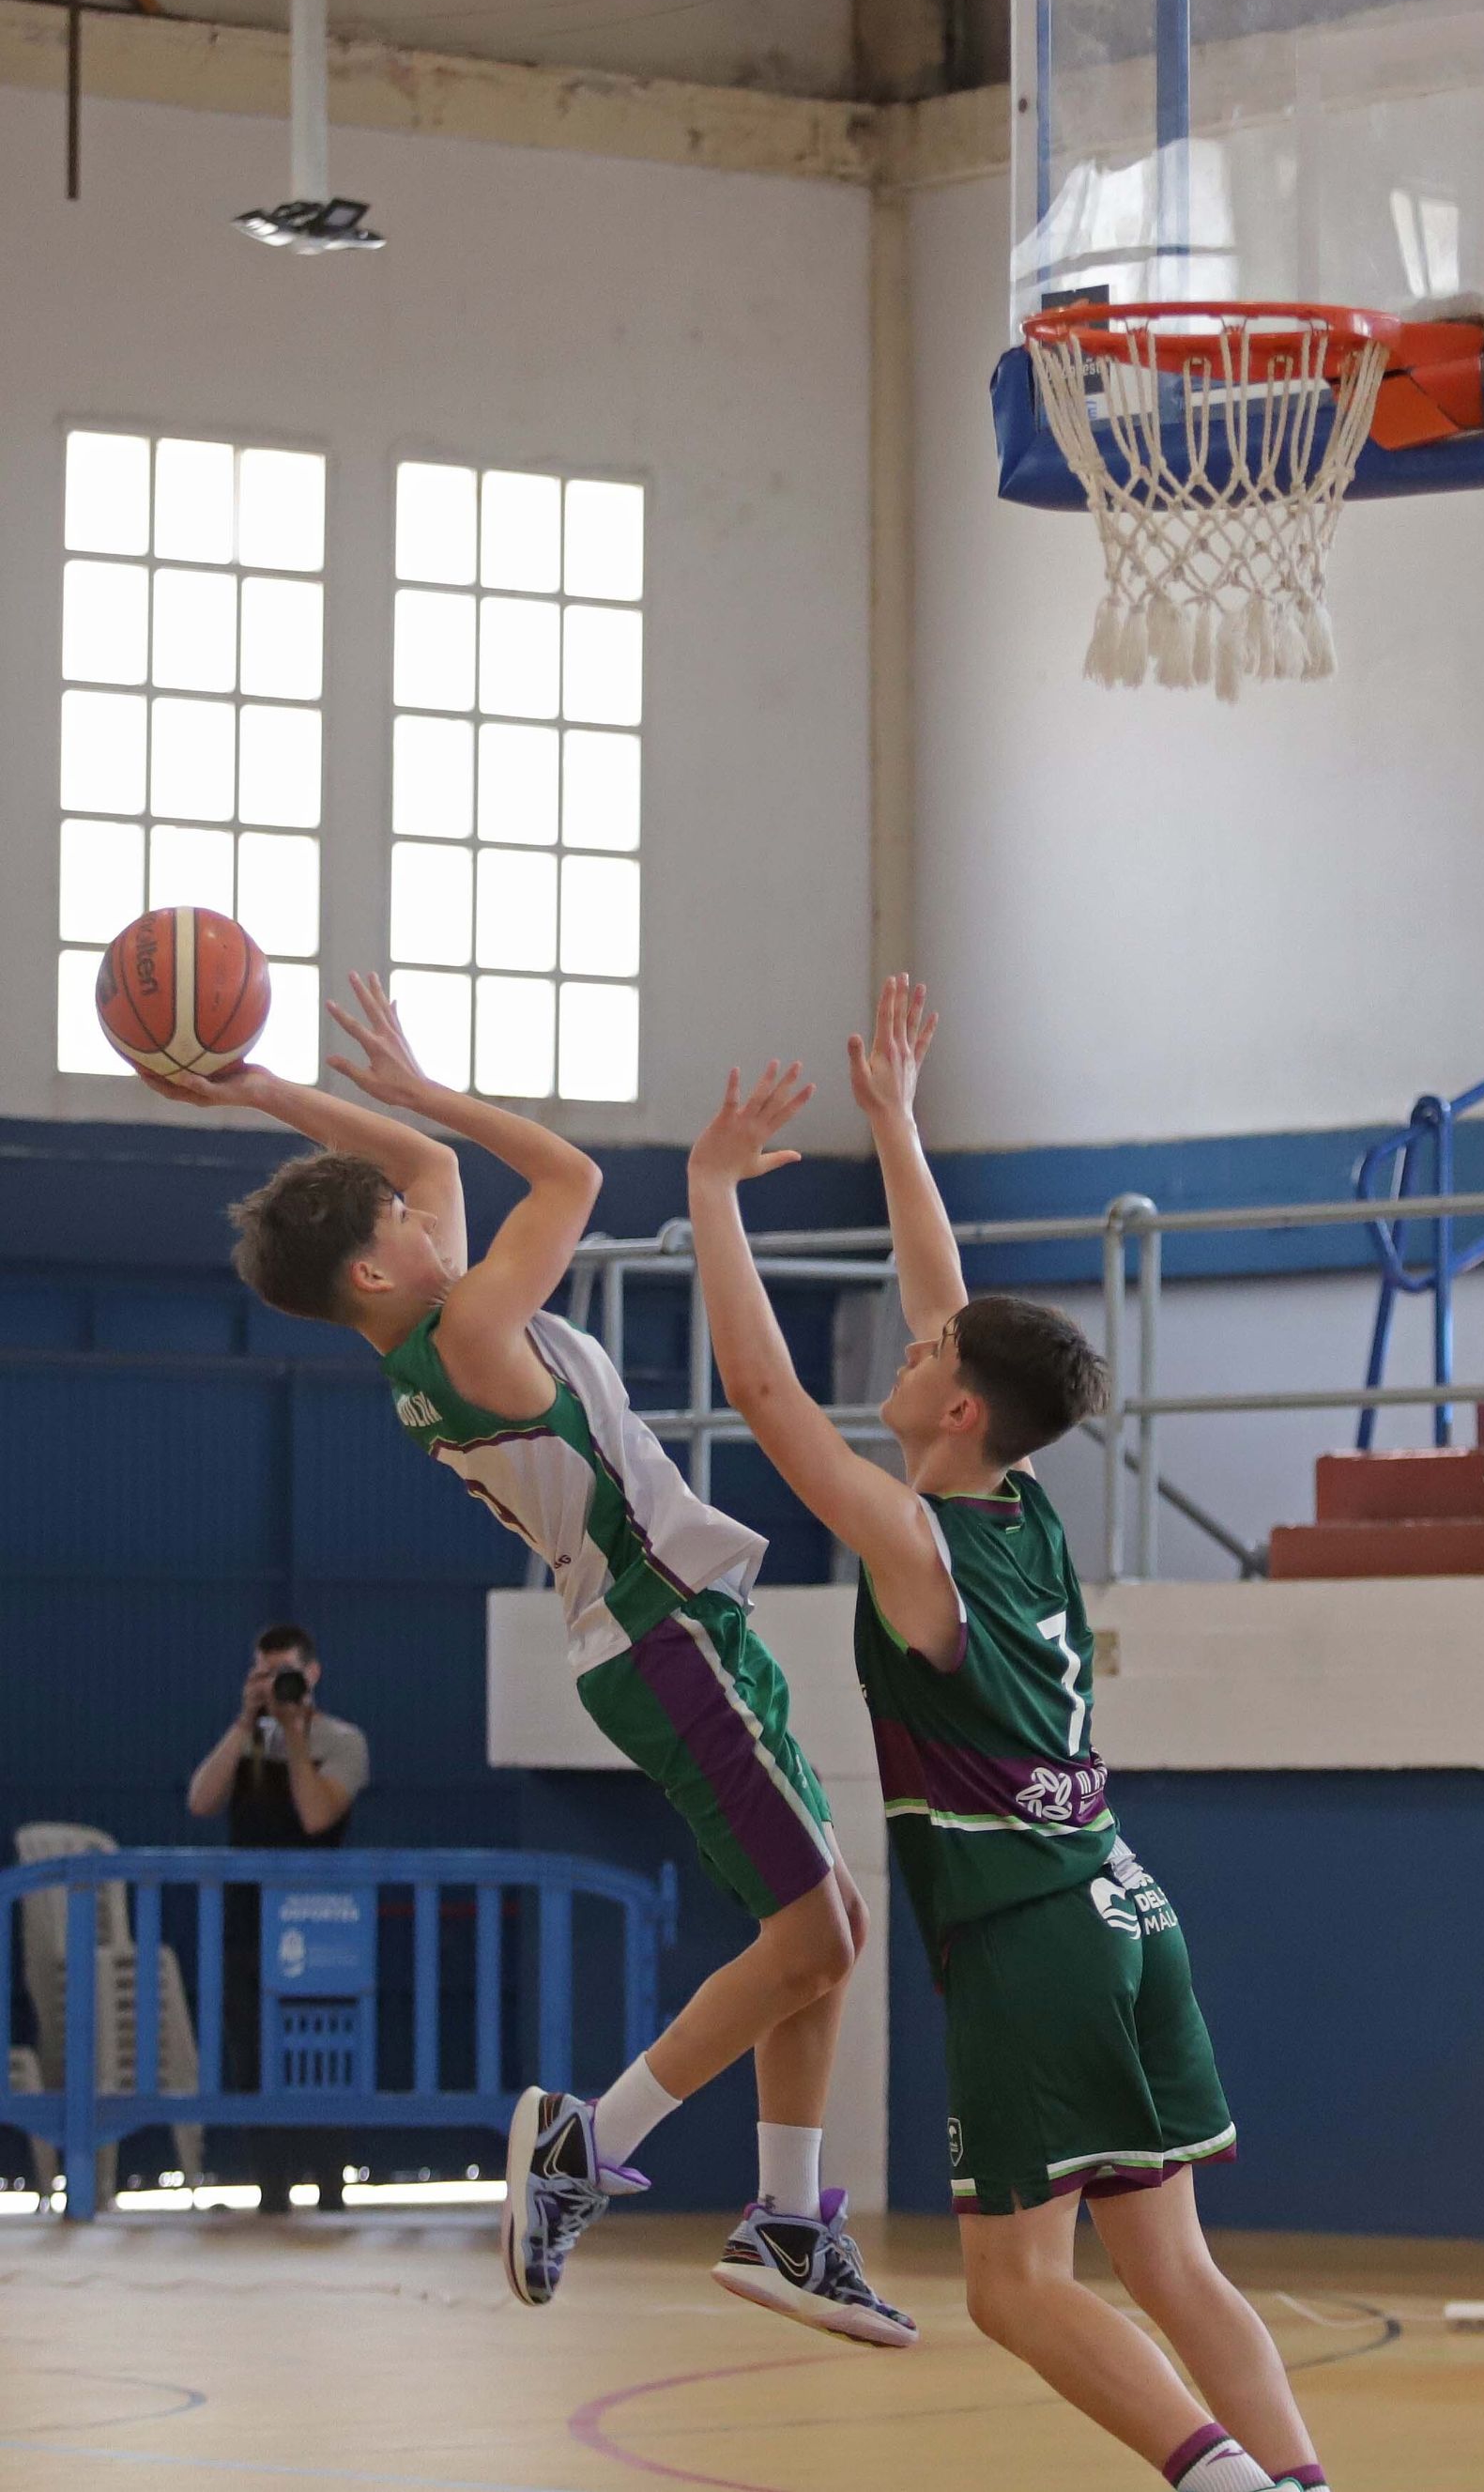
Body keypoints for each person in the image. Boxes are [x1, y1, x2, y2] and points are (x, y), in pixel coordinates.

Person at [145, 974, 912, 2345]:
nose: (419, 1199)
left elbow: (428, 1164)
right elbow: (561, 1169)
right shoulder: (475, 1328)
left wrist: (260, 1092)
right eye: (391, 1218)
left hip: (663, 1629)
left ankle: (787, 2218)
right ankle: (584, 2142)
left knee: (827, 1927)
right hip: (660, 1630)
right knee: (819, 1931)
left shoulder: (421, 1334)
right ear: (381, 1269)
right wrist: (415, 1086)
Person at [684, 976, 1329, 2492]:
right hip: (1123, 1908)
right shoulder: (1023, 1506)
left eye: (922, 1367)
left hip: (1033, 1939)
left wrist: (713, 1191)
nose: (905, 1358)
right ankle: (1301, 2484)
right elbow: (944, 1300)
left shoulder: (920, 1544)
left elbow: (765, 1396)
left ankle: (1231, 2489)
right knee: (1172, 2268)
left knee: (1013, 2288)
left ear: (962, 1414)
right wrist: (899, 1124)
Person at [187, 1622, 370, 2210]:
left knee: (322, 2053)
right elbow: (200, 1800)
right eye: (263, 1674)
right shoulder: (246, 1740)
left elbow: (317, 1815)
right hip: (246, 1925)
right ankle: (269, 2190)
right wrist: (248, 1723)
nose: (277, 1685)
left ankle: (330, 2189)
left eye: (285, 1673)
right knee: (252, 2057)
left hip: (322, 1926)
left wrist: (293, 1734)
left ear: (312, 1674)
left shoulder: (343, 1742)